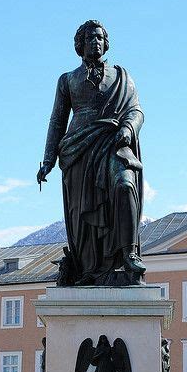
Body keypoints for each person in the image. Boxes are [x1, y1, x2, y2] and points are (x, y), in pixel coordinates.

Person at [37, 20, 146, 286]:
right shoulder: (67, 80)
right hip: (78, 150)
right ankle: (89, 267)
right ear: (80, 45)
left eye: (99, 38)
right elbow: (57, 120)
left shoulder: (122, 76)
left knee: (124, 185)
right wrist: (48, 160)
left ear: (105, 43)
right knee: (82, 215)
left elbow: (136, 110)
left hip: (113, 143)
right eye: (89, 39)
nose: (95, 42)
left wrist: (129, 129)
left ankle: (129, 253)